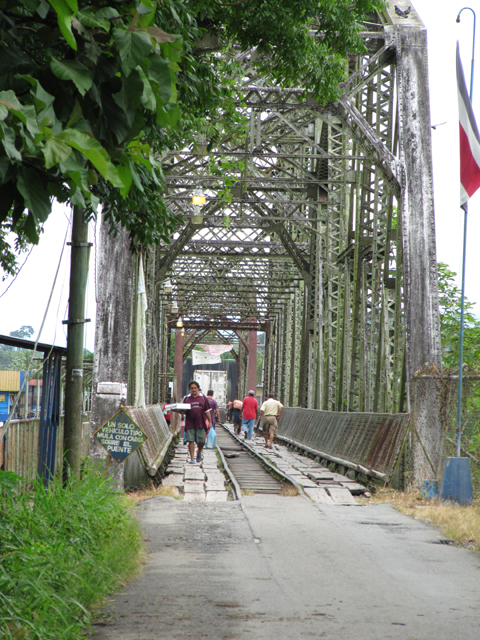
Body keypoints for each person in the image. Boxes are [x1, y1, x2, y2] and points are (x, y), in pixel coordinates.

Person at [173, 381, 211, 464]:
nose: (193, 389)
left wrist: (210, 422)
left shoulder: (203, 398)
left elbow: (207, 411)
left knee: (201, 441)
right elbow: (184, 411)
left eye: (195, 388)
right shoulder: (186, 398)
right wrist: (176, 410)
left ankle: (199, 452)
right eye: (192, 388)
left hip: (200, 422)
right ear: (189, 389)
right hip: (190, 422)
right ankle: (192, 458)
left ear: (198, 388)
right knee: (191, 440)